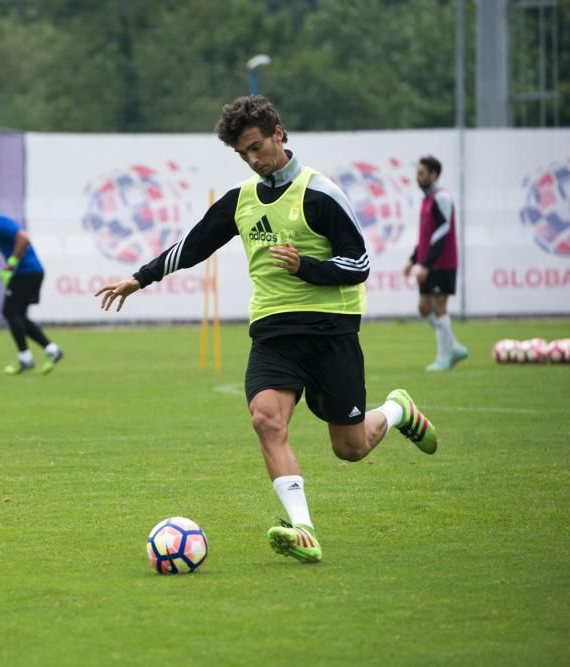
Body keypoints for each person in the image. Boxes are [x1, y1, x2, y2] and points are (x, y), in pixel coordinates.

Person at [94, 95, 438, 564]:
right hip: (274, 333)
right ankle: (304, 529)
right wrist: (140, 278)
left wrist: (305, 267)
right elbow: (193, 244)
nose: (253, 160)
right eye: (243, 154)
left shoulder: (321, 194)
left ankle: (397, 409)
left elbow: (358, 264)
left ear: (279, 133)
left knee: (351, 448)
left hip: (330, 332)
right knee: (266, 420)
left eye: (257, 147)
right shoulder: (242, 200)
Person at [0, 194, 64, 375]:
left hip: (26, 272)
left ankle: (26, 358)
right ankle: (51, 350)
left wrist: (11, 264)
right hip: (29, 272)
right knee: (18, 316)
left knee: (9, 312)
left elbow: (23, 237)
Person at [403, 156, 467, 372]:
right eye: (417, 172)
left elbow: (442, 232)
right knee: (424, 307)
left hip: (443, 263)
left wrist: (427, 265)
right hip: (428, 263)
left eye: (422, 173)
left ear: (434, 174)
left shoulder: (442, 198)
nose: (417, 177)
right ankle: (455, 347)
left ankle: (443, 358)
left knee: (439, 307)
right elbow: (425, 236)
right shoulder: (427, 199)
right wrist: (413, 260)